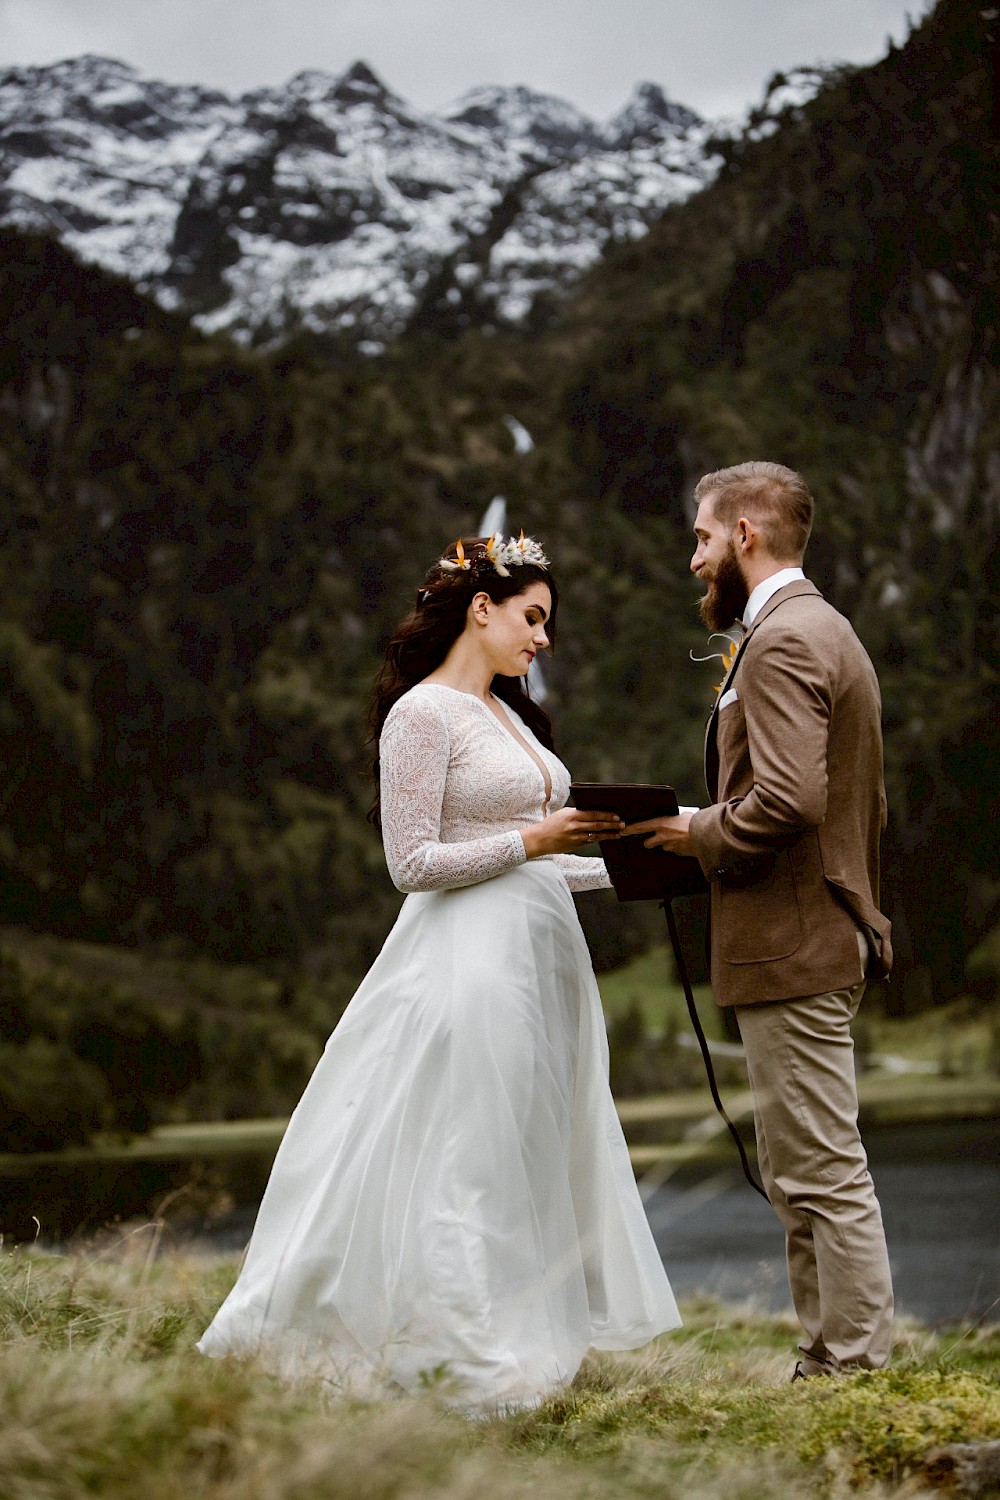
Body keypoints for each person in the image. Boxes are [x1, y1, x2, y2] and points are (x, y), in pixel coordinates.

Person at [198, 531, 681, 1410]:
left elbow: (534, 864)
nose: (543, 640)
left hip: (541, 964)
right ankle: (458, 1355)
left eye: (548, 624)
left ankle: (509, 1330)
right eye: (533, 618)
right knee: (467, 1153)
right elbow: (413, 861)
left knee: (523, 1150)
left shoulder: (505, 714)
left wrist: (641, 861)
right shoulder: (420, 716)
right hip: (467, 964)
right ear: (480, 608)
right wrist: (537, 835)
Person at [625, 461, 894, 1378]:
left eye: (703, 538)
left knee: (820, 1170)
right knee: (800, 1172)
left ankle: (850, 1367)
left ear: (745, 534)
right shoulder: (822, 628)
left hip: (796, 942)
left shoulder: (780, 641)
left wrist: (692, 832)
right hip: (807, 934)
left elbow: (787, 800)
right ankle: (826, 1359)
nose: (695, 558)